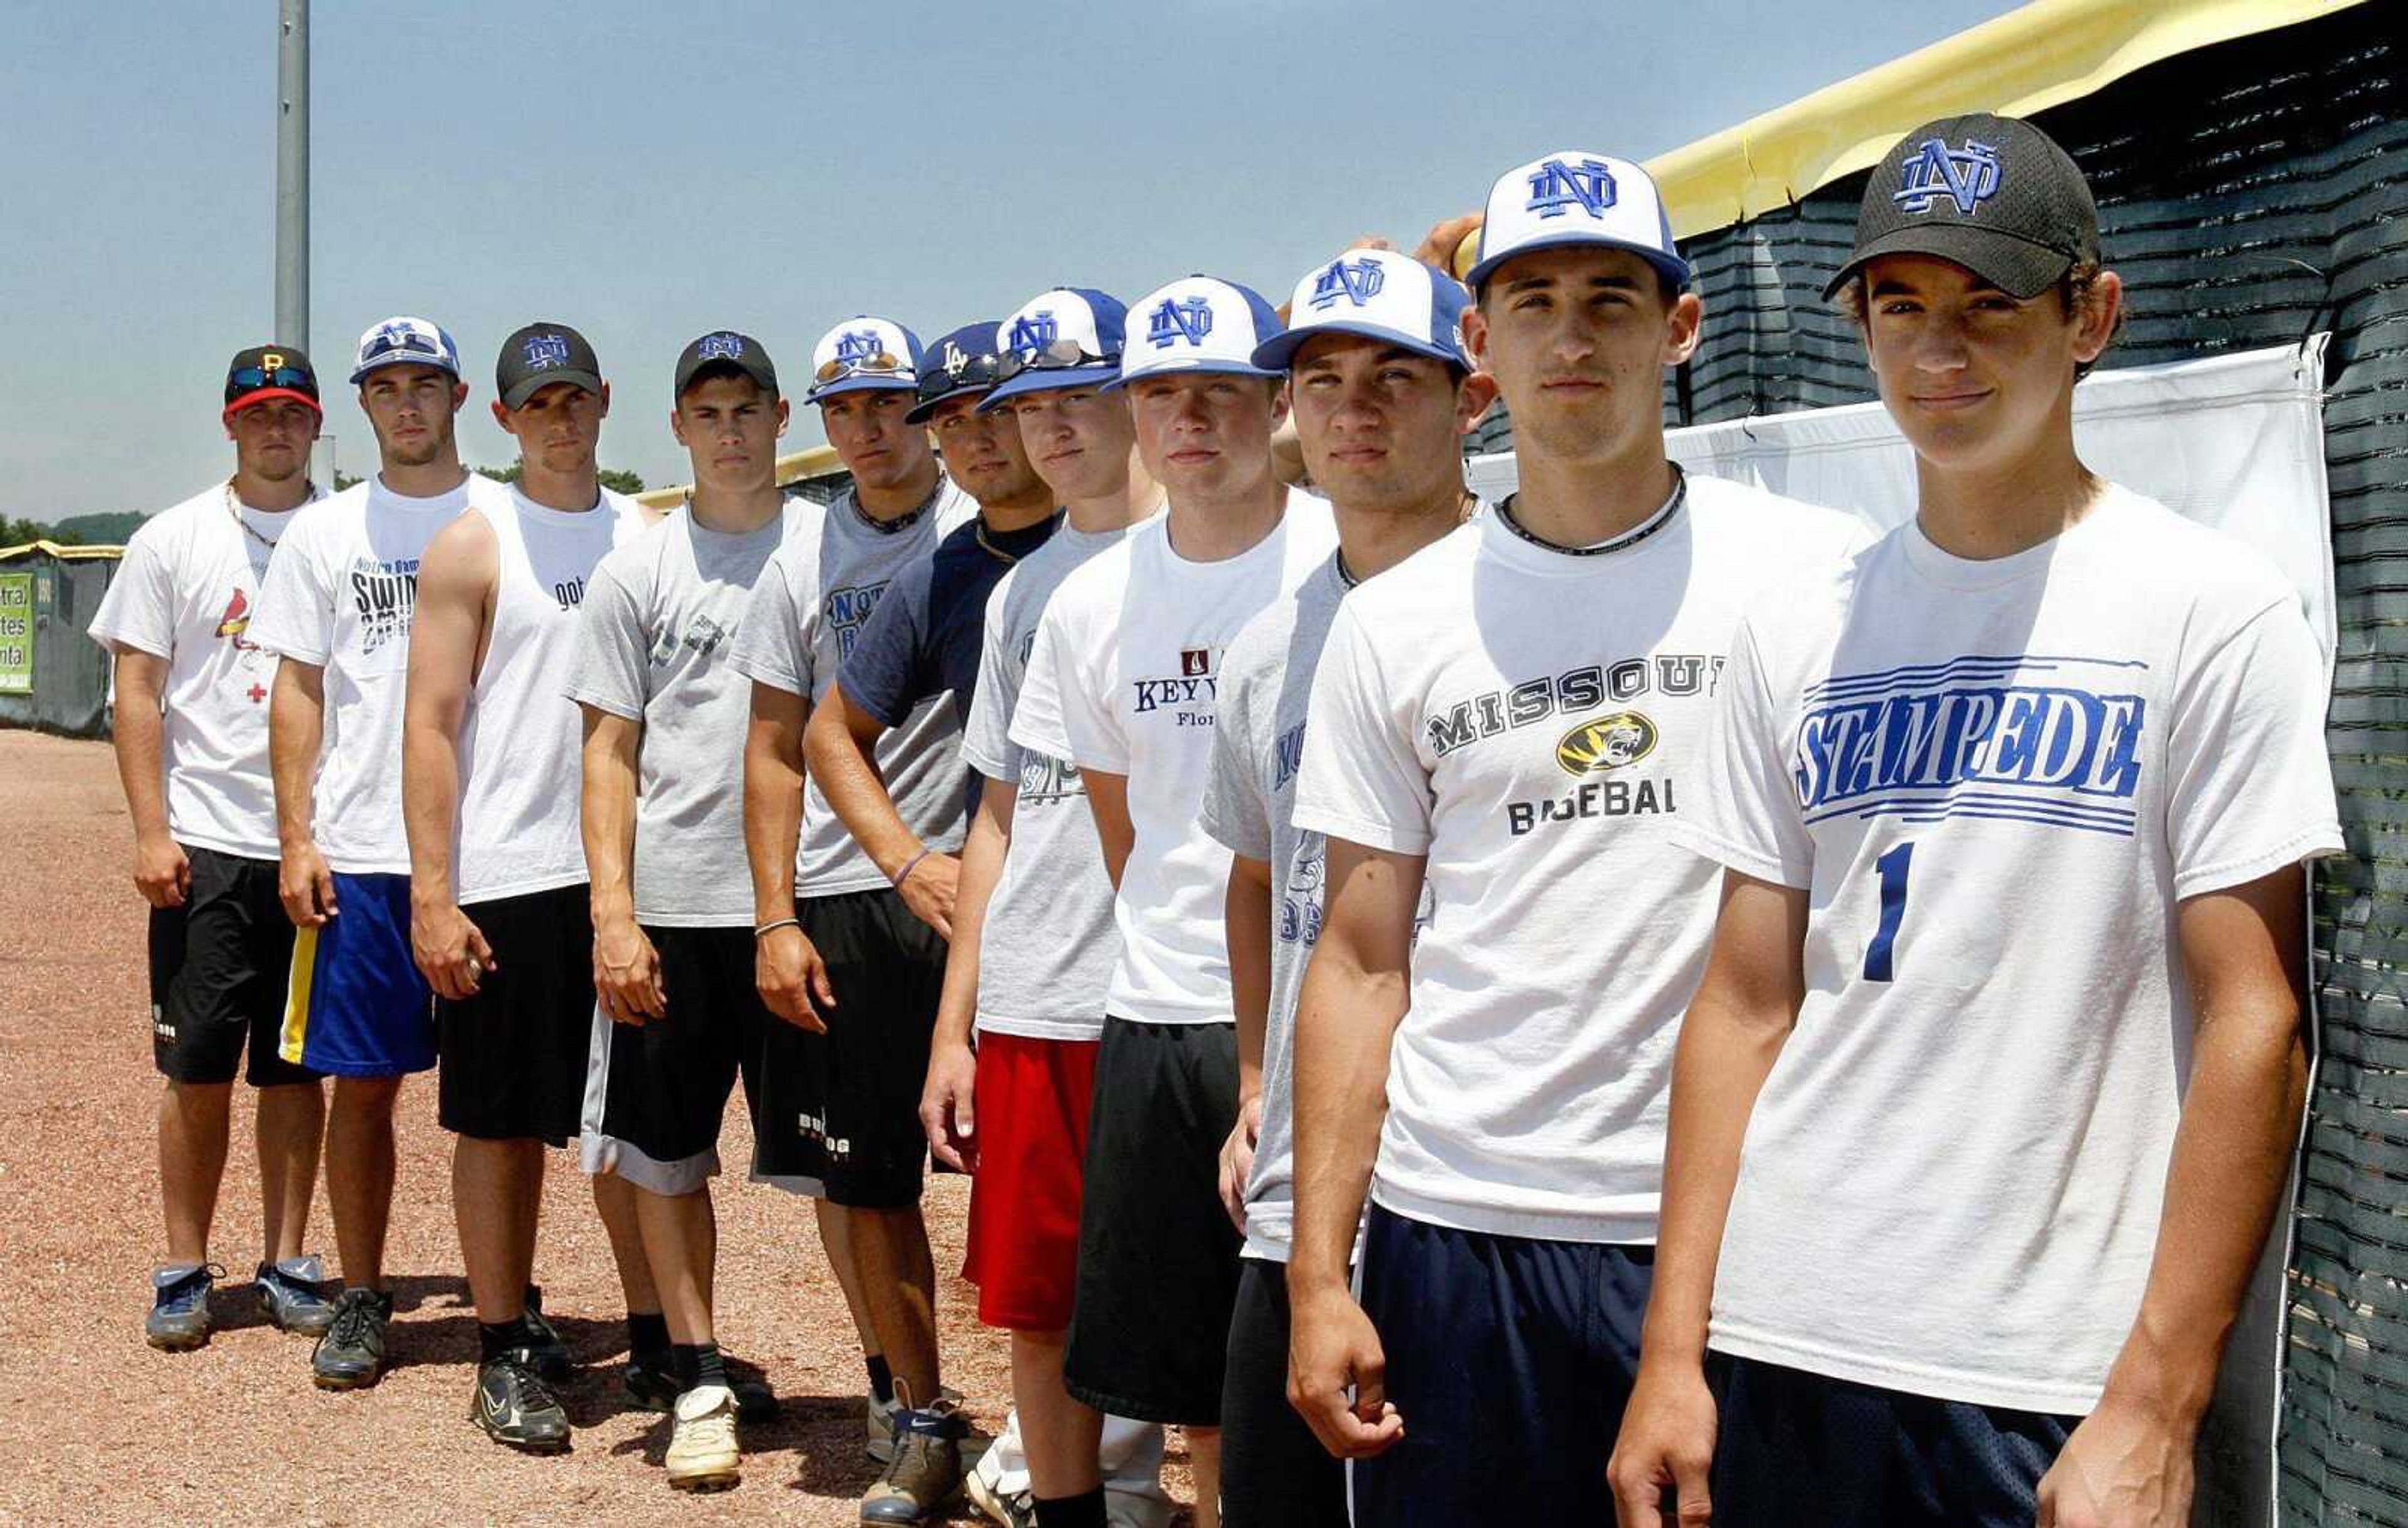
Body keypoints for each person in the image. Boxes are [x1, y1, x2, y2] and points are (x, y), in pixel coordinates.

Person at [1606, 114, 2345, 1528]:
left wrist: (2155, 1400)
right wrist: (1671, 1353)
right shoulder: (1803, 623)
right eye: (1902, 307)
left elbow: (2258, 1025)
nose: (1939, 352)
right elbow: (1745, 1005)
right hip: (1786, 1333)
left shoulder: (2206, 607)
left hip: (2044, 1366)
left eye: (1988, 305)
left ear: (2093, 317)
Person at [1281, 153, 1860, 1527]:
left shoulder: (1819, 574)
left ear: (1682, 328)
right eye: (1532, 300)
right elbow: (1360, 964)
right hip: (1459, 1226)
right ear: (1479, 342)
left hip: (1735, 1236)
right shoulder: (1395, 623)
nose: (1574, 333)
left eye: (1614, 296)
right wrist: (1318, 1272)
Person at [1010, 275, 1335, 1528]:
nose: (1191, 419)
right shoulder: (1091, 603)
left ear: (1273, 404)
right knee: (1199, 1377)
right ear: (1133, 412)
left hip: (1325, 1009)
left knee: (1317, 1362)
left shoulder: (1342, 564)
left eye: (1220, 392)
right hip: (1160, 1015)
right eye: (1162, 394)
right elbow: (1126, 829)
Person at [1201, 249, 1492, 1525]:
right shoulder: (1272, 648)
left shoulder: (1527, 609)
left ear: (1471, 399)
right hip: (1304, 1197)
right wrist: (1261, 1082)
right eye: (1323, 384)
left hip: (1477, 1179)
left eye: (1393, 380)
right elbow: (1258, 882)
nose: (1354, 414)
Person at [913, 288, 1171, 1528]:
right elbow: (1000, 817)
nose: (1053, 427)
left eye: (1081, 395)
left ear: (1140, 397)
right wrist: (956, 1026)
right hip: (1038, 1000)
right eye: (1032, 406)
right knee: (1038, 1304)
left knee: (1203, 1310)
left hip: (1178, 1003)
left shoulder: (1234, 553)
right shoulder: (1021, 594)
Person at [732, 314, 978, 1524]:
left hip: (996, 888)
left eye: (889, 404)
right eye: (844, 410)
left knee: (1034, 1170)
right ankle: (914, 1404)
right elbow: (777, 747)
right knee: (866, 1182)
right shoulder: (799, 557)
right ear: (821, 425)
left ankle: (1079, 1425)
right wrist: (776, 918)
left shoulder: (983, 521)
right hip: (849, 899)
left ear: (927, 413)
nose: (869, 429)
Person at [401, 323, 661, 1451]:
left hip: (632, 877)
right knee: (502, 1128)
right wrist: (433, 891)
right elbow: (432, 725)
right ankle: (503, 1345)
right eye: (535, 402)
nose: (559, 417)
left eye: (575, 397)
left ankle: (661, 1341)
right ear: (502, 418)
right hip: (511, 872)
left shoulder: (650, 536)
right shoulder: (474, 540)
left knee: (639, 1129)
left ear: (606, 401)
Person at [249, 316, 512, 1389]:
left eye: (426, 384)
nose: (407, 403)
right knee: (363, 1084)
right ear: (361, 404)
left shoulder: (507, 514)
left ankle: (508, 1298)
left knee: (504, 1099)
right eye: (386, 386)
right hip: (361, 846)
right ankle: (363, 1291)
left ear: (457, 397)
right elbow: (299, 687)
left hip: (495, 846)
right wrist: (297, 834)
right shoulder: (327, 531)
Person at [571, 330, 797, 1490]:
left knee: (848, 1172)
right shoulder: (640, 568)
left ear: (779, 414)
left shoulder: (824, 544)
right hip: (674, 907)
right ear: (678, 427)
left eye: (747, 407)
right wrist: (614, 913)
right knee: (665, 1158)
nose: (729, 430)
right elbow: (608, 751)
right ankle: (697, 1370)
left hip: (806, 911)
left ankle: (900, 1389)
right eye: (707, 412)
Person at [88, 344, 334, 1351]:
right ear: (229, 424)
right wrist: (151, 828)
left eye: (292, 412)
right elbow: (137, 693)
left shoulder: (346, 534)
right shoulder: (173, 540)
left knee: (296, 1067)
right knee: (196, 1069)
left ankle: (288, 1259)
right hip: (208, 843)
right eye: (258, 412)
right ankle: (185, 1266)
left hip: (316, 845)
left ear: (318, 424)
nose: (275, 428)